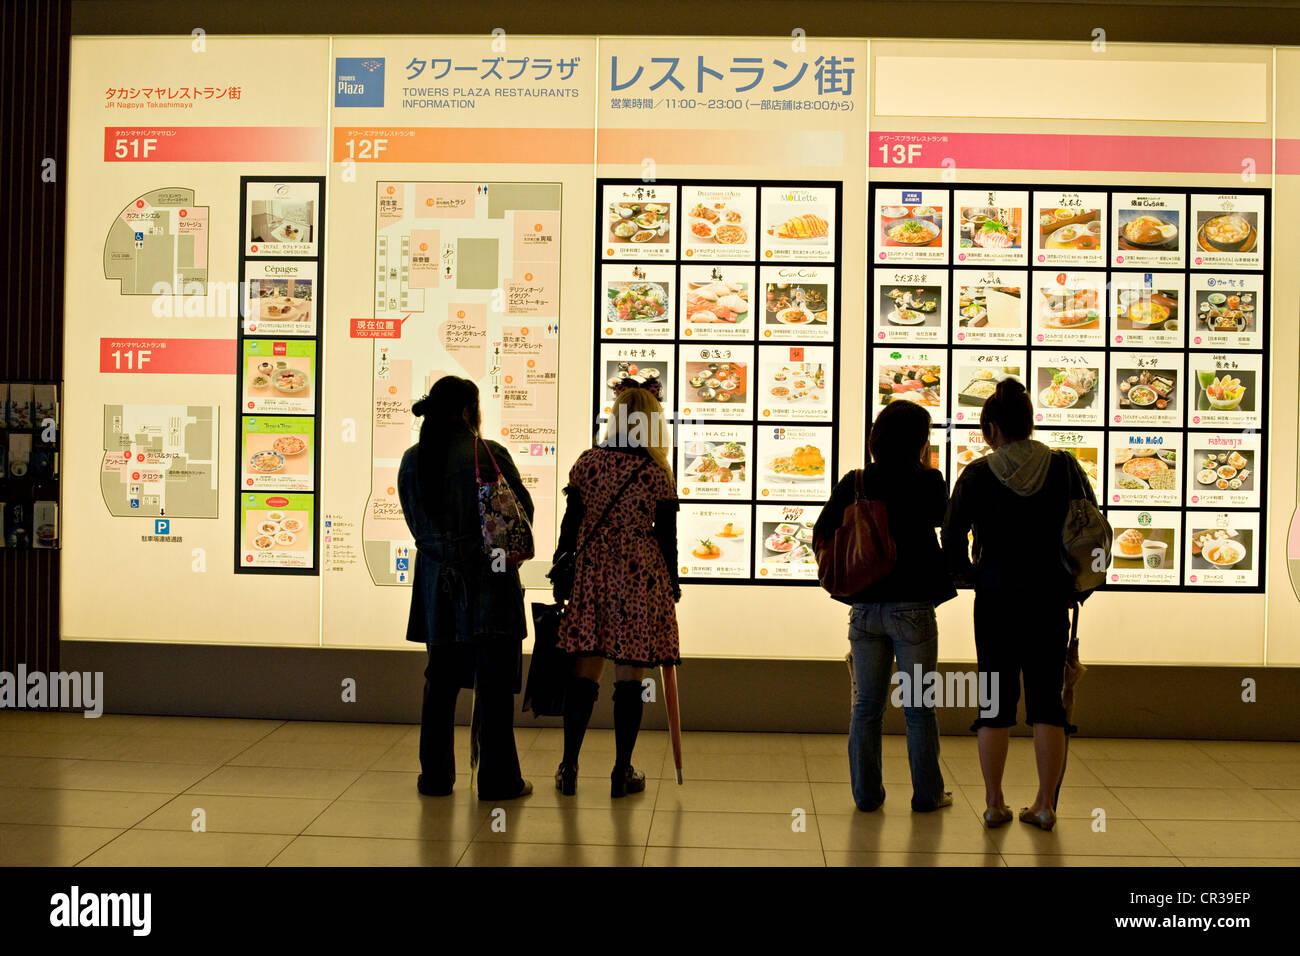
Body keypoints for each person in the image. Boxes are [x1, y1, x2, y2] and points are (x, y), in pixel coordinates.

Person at [941, 378, 1085, 832]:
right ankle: (1044, 805)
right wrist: (1076, 586)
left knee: (994, 702)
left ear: (990, 427)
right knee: (1047, 703)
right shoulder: (1065, 467)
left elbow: (951, 538)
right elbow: (1089, 530)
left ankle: (994, 802)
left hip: (997, 598)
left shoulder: (978, 474)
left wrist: (972, 575)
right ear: (1030, 423)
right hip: (1049, 598)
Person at [813, 401, 956, 813]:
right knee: (919, 709)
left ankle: (866, 795)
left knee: (866, 708)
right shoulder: (930, 481)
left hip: (865, 608)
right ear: (920, 441)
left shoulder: (856, 480)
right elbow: (942, 524)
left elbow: (823, 532)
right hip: (913, 608)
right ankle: (928, 795)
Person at [398, 375, 534, 802]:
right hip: (488, 584)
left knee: (439, 682)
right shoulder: (487, 454)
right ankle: (497, 780)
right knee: (492, 685)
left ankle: (434, 778)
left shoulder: (411, 460)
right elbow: (522, 514)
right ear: (465, 412)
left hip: (437, 588)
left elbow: (415, 524)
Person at [552, 379, 680, 798]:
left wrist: (561, 571)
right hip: (640, 577)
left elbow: (570, 526)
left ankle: (569, 767)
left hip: (593, 574)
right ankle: (621, 771)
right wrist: (672, 586)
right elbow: (667, 538)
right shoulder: (657, 474)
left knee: (584, 671)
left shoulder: (587, 463)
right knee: (630, 673)